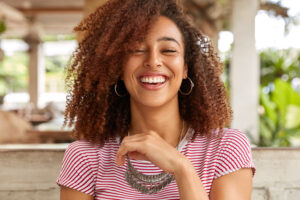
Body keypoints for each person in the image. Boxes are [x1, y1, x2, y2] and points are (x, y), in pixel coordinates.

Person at [56, 0, 256, 199]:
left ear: (186, 67)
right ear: (118, 67)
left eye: (168, 50)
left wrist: (181, 167)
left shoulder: (226, 147)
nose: (153, 61)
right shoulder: (85, 156)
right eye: (137, 49)